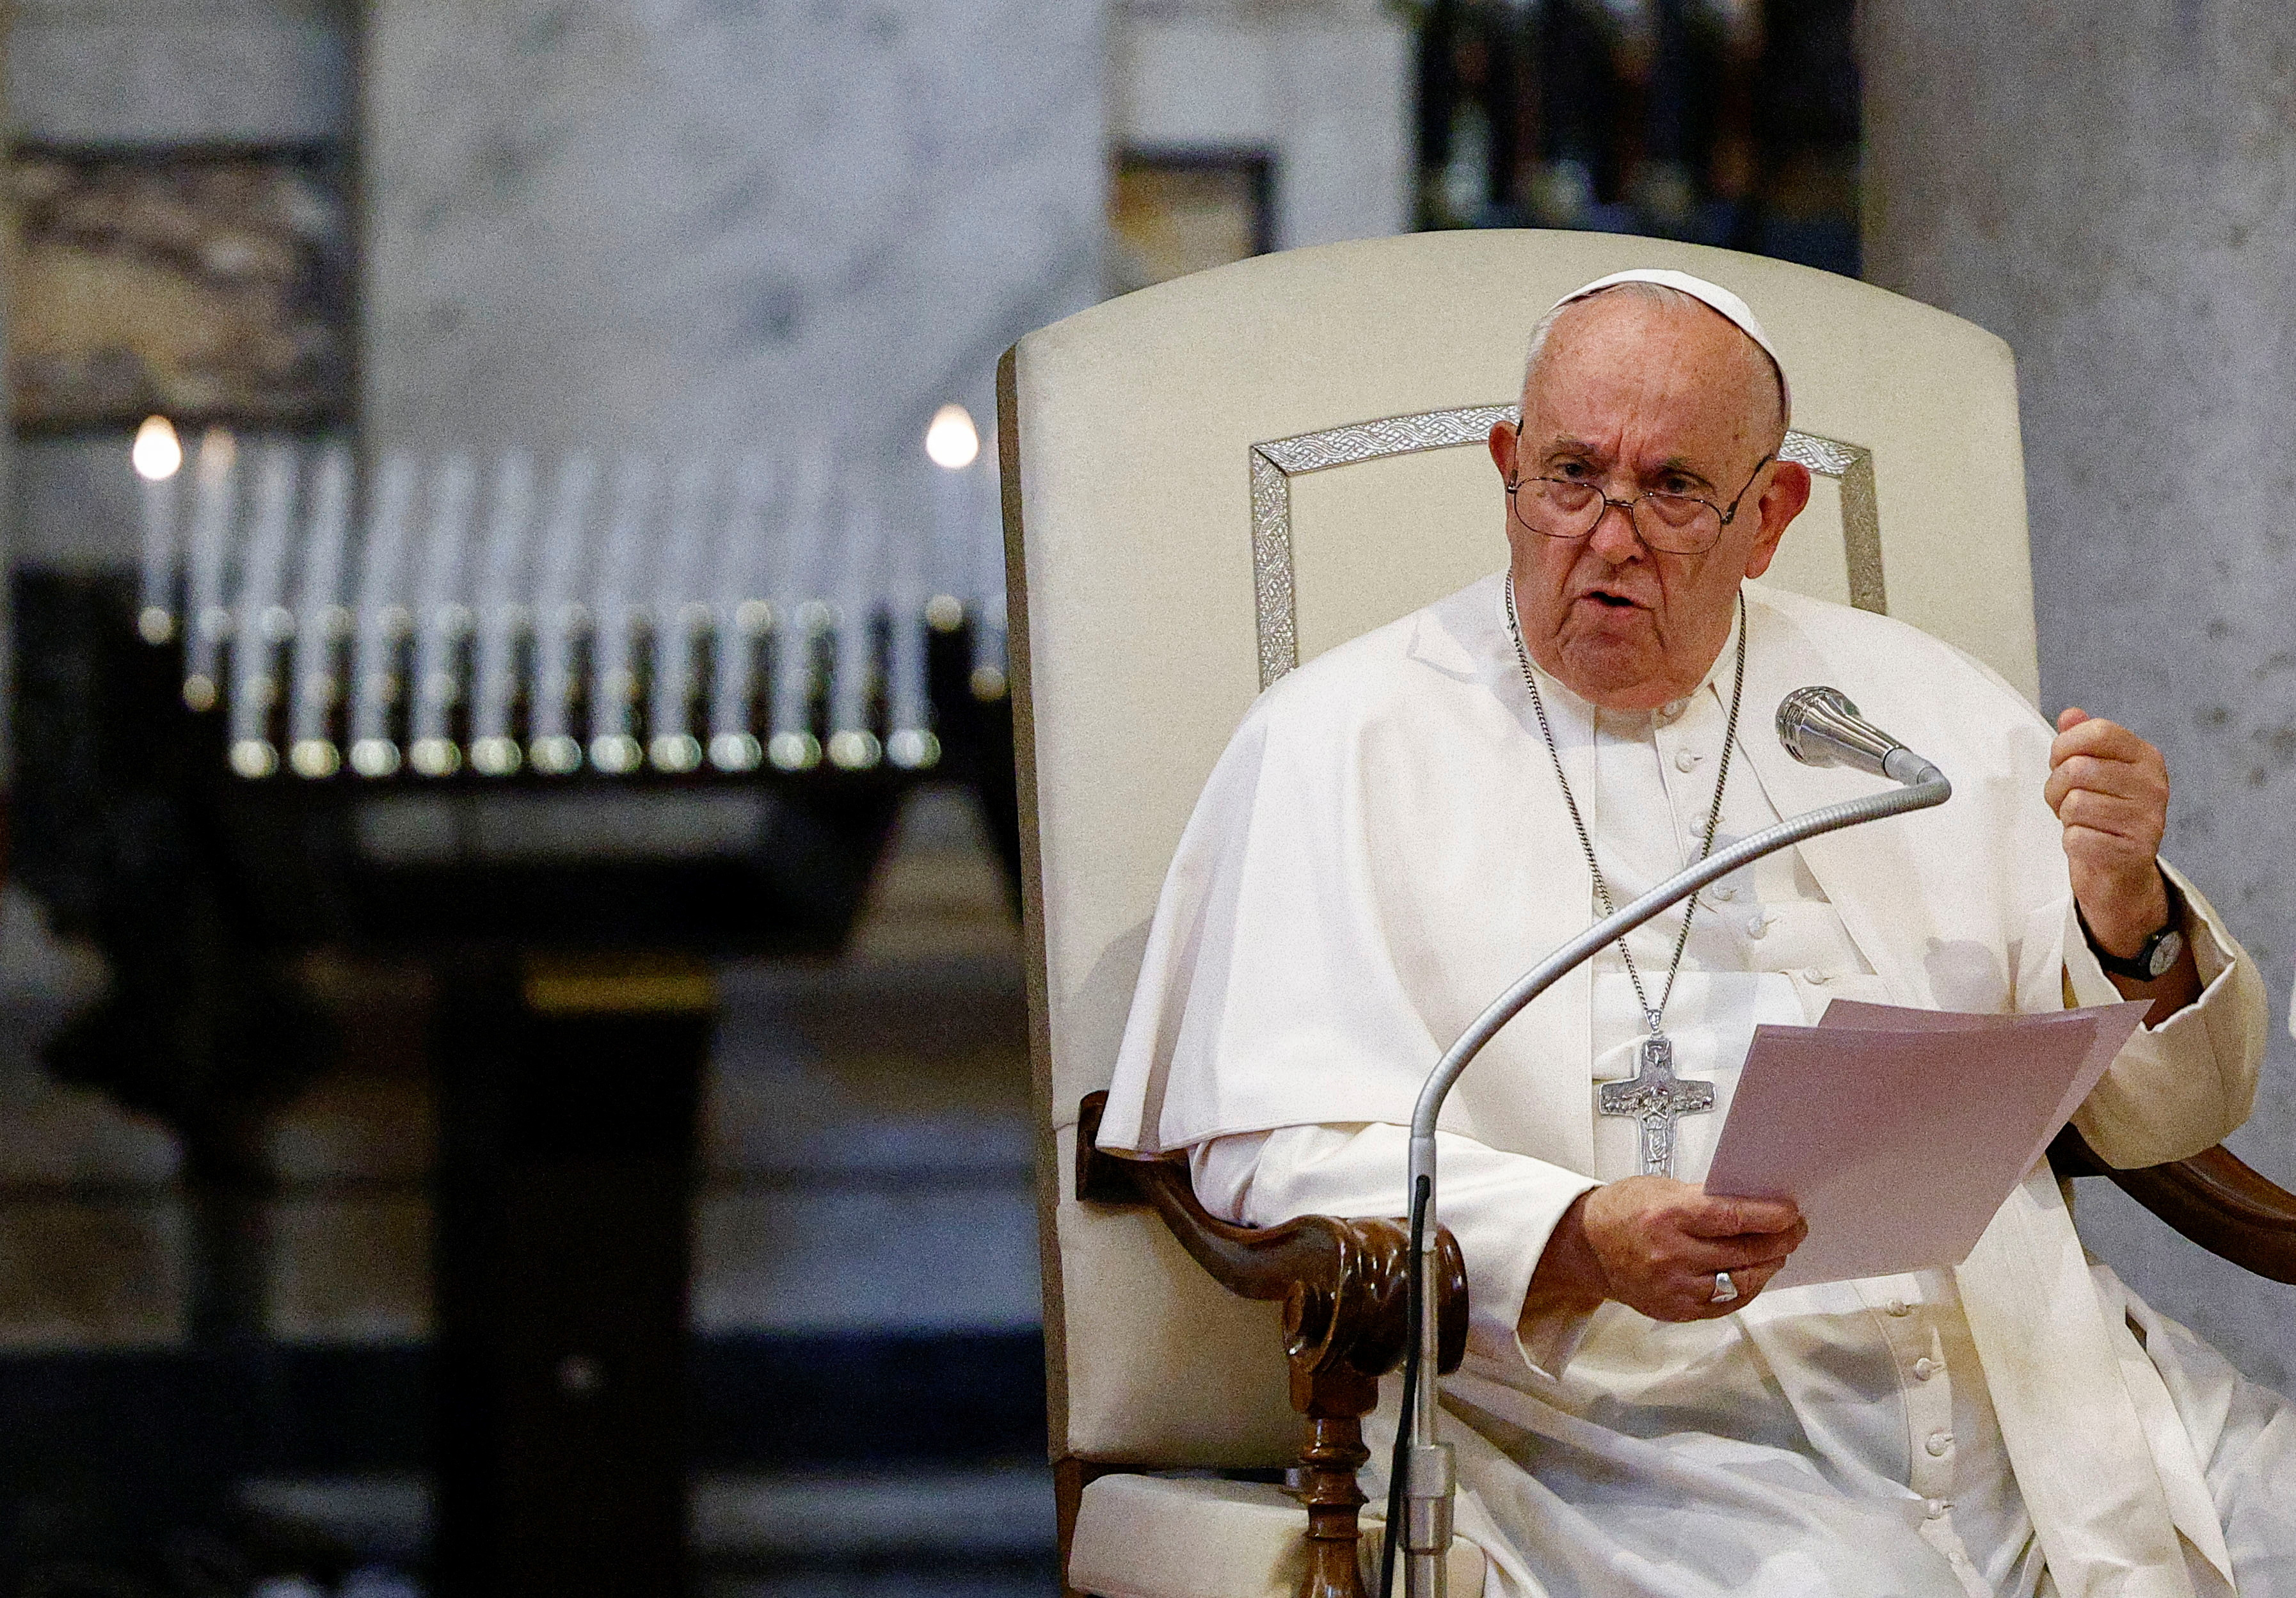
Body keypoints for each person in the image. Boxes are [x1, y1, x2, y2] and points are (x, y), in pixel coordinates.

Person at [1095, 268, 2284, 1598]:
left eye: (1671, 489)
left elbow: (2159, 1115)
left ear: (1769, 515)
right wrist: (1576, 1231)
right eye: (1568, 476)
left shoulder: (1909, 715)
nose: (1609, 537)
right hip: (1615, 1428)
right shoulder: (1337, 744)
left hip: (2029, 1380)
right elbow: (1269, 1148)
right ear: (1505, 470)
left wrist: (2129, 924)